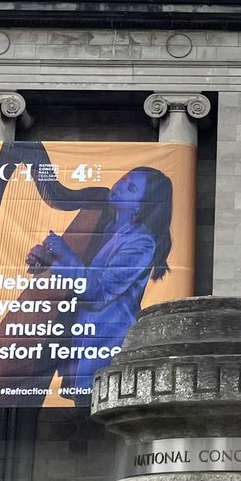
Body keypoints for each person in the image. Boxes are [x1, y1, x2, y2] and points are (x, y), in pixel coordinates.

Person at [31, 166, 174, 393]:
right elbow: (85, 273)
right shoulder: (108, 228)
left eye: (131, 187)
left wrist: (65, 254)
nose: (120, 185)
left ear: (140, 205)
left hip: (105, 344)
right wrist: (48, 260)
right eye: (124, 178)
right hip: (84, 337)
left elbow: (96, 293)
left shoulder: (141, 244)